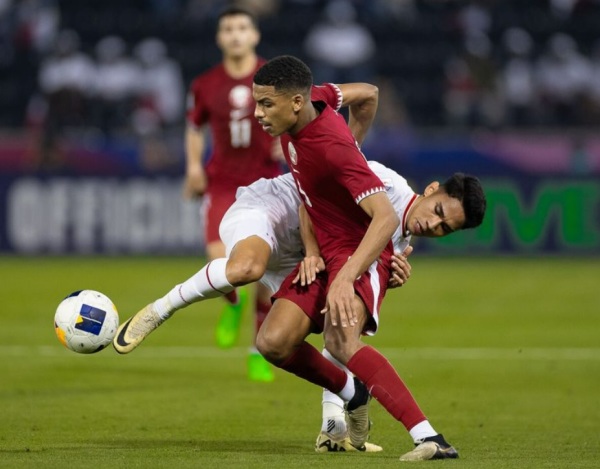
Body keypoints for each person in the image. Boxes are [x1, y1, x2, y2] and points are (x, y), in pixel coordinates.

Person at [251, 55, 486, 461]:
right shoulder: (388, 184)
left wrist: (390, 264)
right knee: (274, 343)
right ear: (432, 190)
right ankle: (349, 398)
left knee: (340, 337)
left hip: (348, 262)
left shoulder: (317, 118)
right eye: (440, 213)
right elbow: (329, 198)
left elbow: (337, 198)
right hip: (336, 260)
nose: (436, 226)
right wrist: (323, 257)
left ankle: (424, 436)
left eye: (446, 229)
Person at [183, 6, 282, 382]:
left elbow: (299, 114)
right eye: (228, 29)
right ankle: (232, 303)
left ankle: (258, 349)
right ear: (219, 38)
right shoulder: (205, 84)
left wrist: (285, 140)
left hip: (265, 183)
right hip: (222, 181)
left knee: (265, 276)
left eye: (243, 27)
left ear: (255, 35)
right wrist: (193, 167)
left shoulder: (275, 76)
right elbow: (194, 128)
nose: (236, 34)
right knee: (220, 260)